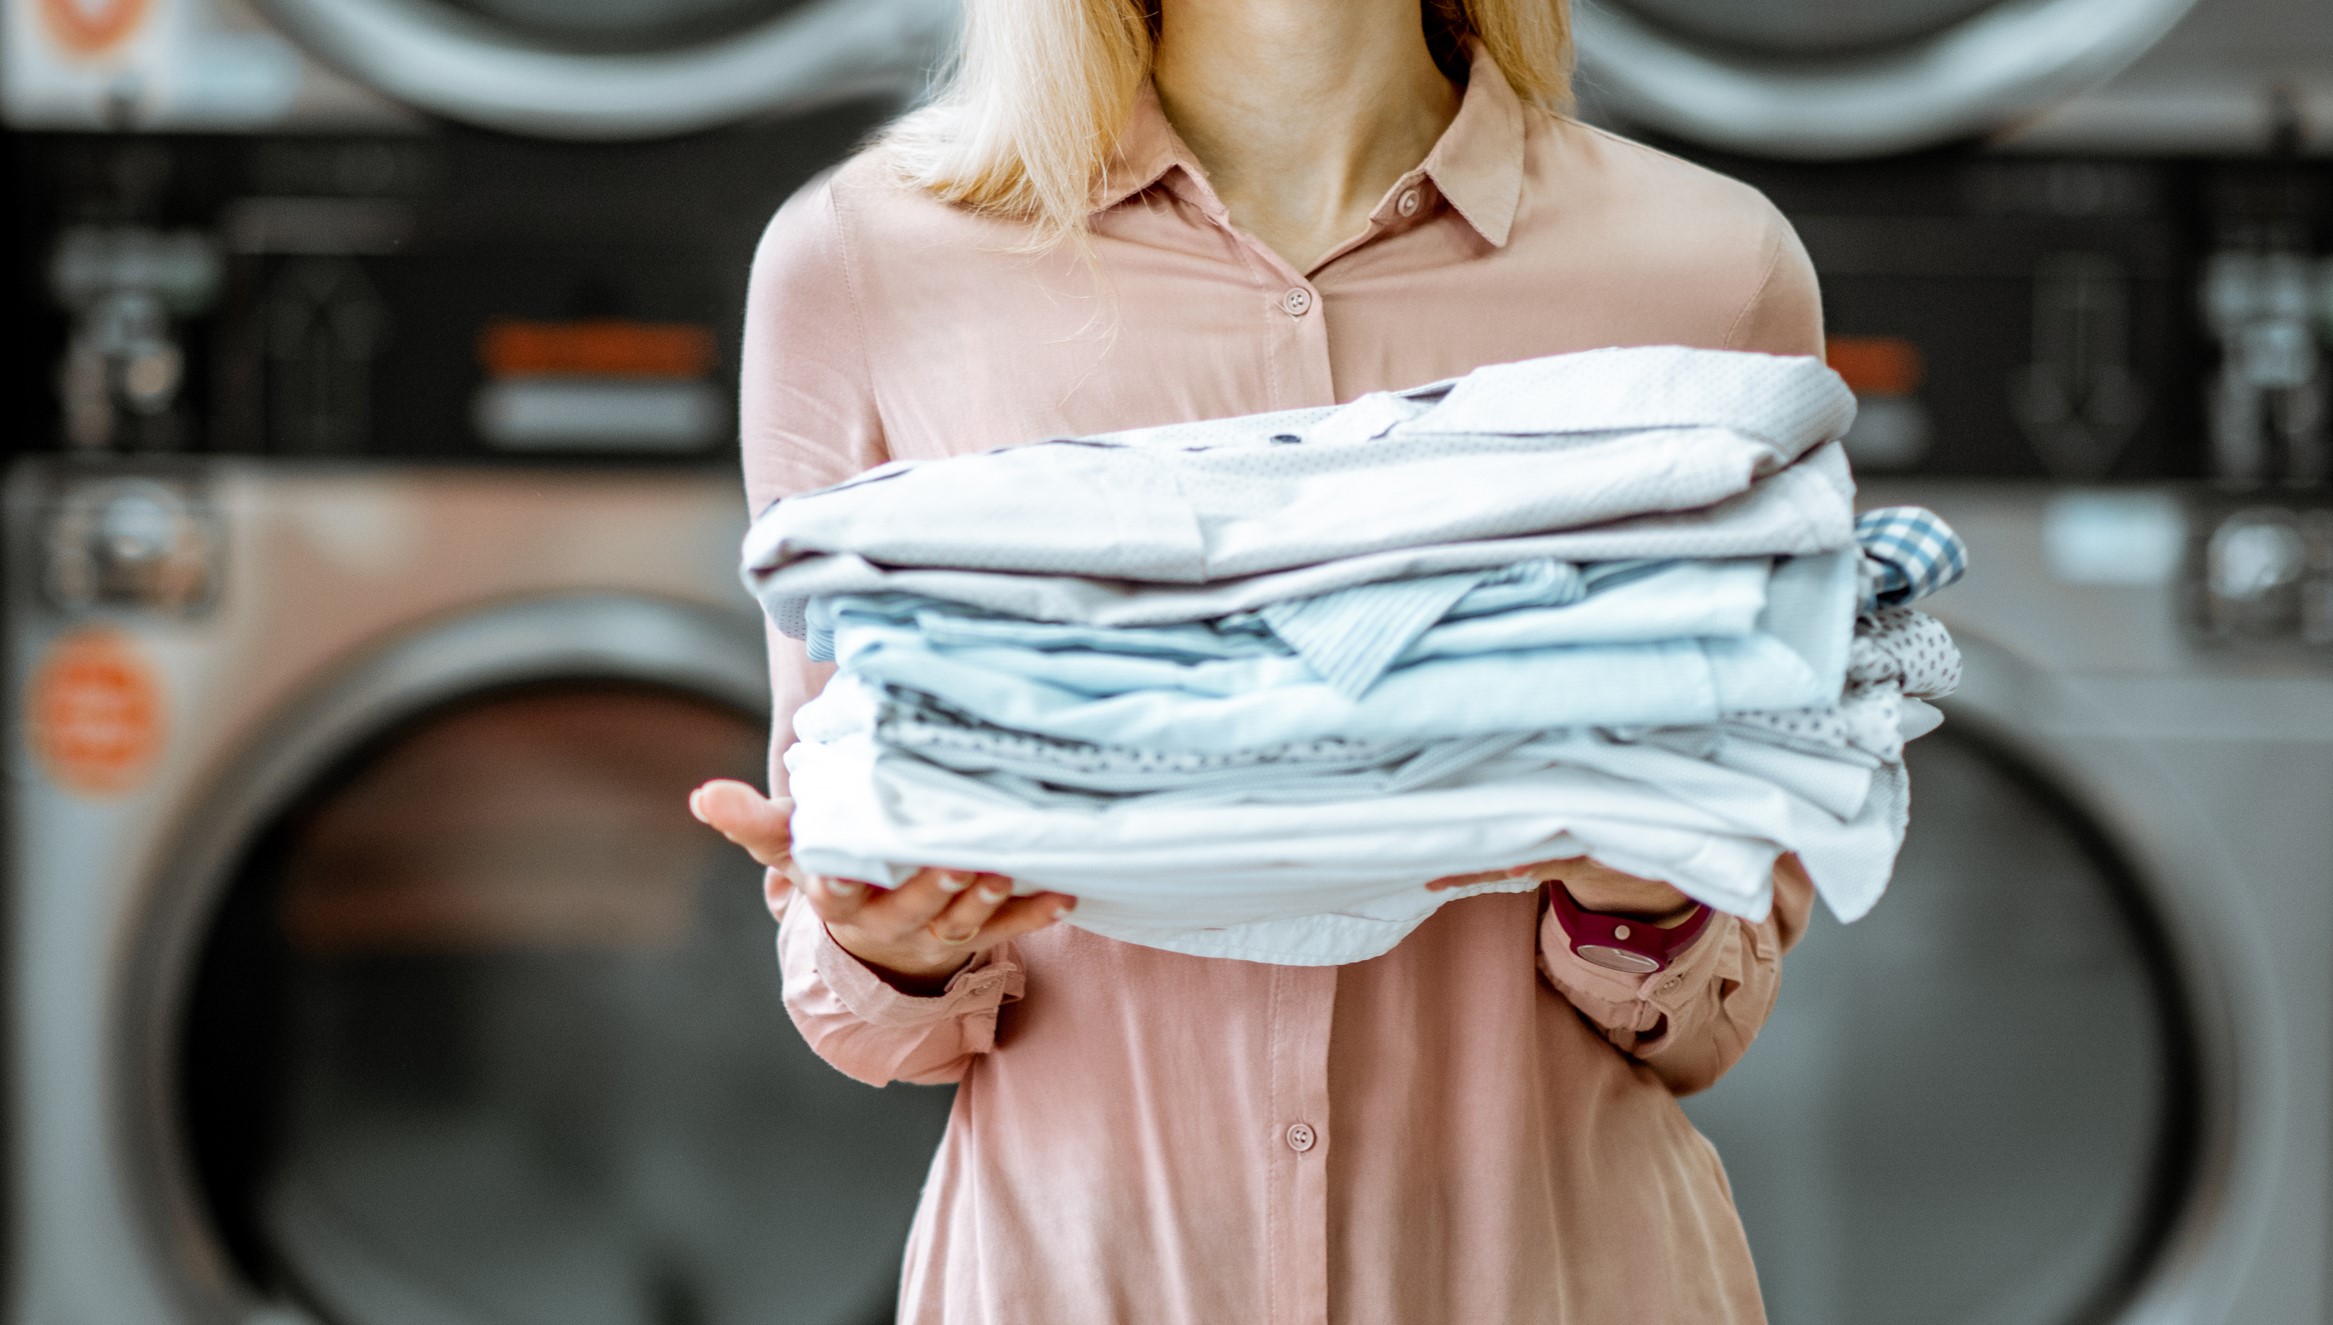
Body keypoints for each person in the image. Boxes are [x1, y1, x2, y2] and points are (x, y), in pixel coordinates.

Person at [691, 0, 1820, 1318]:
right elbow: (854, 980)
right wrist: (886, 940)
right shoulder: (865, 259)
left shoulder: (1703, 267)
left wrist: (1638, 879)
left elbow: (1718, 999)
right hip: (1082, 1280)